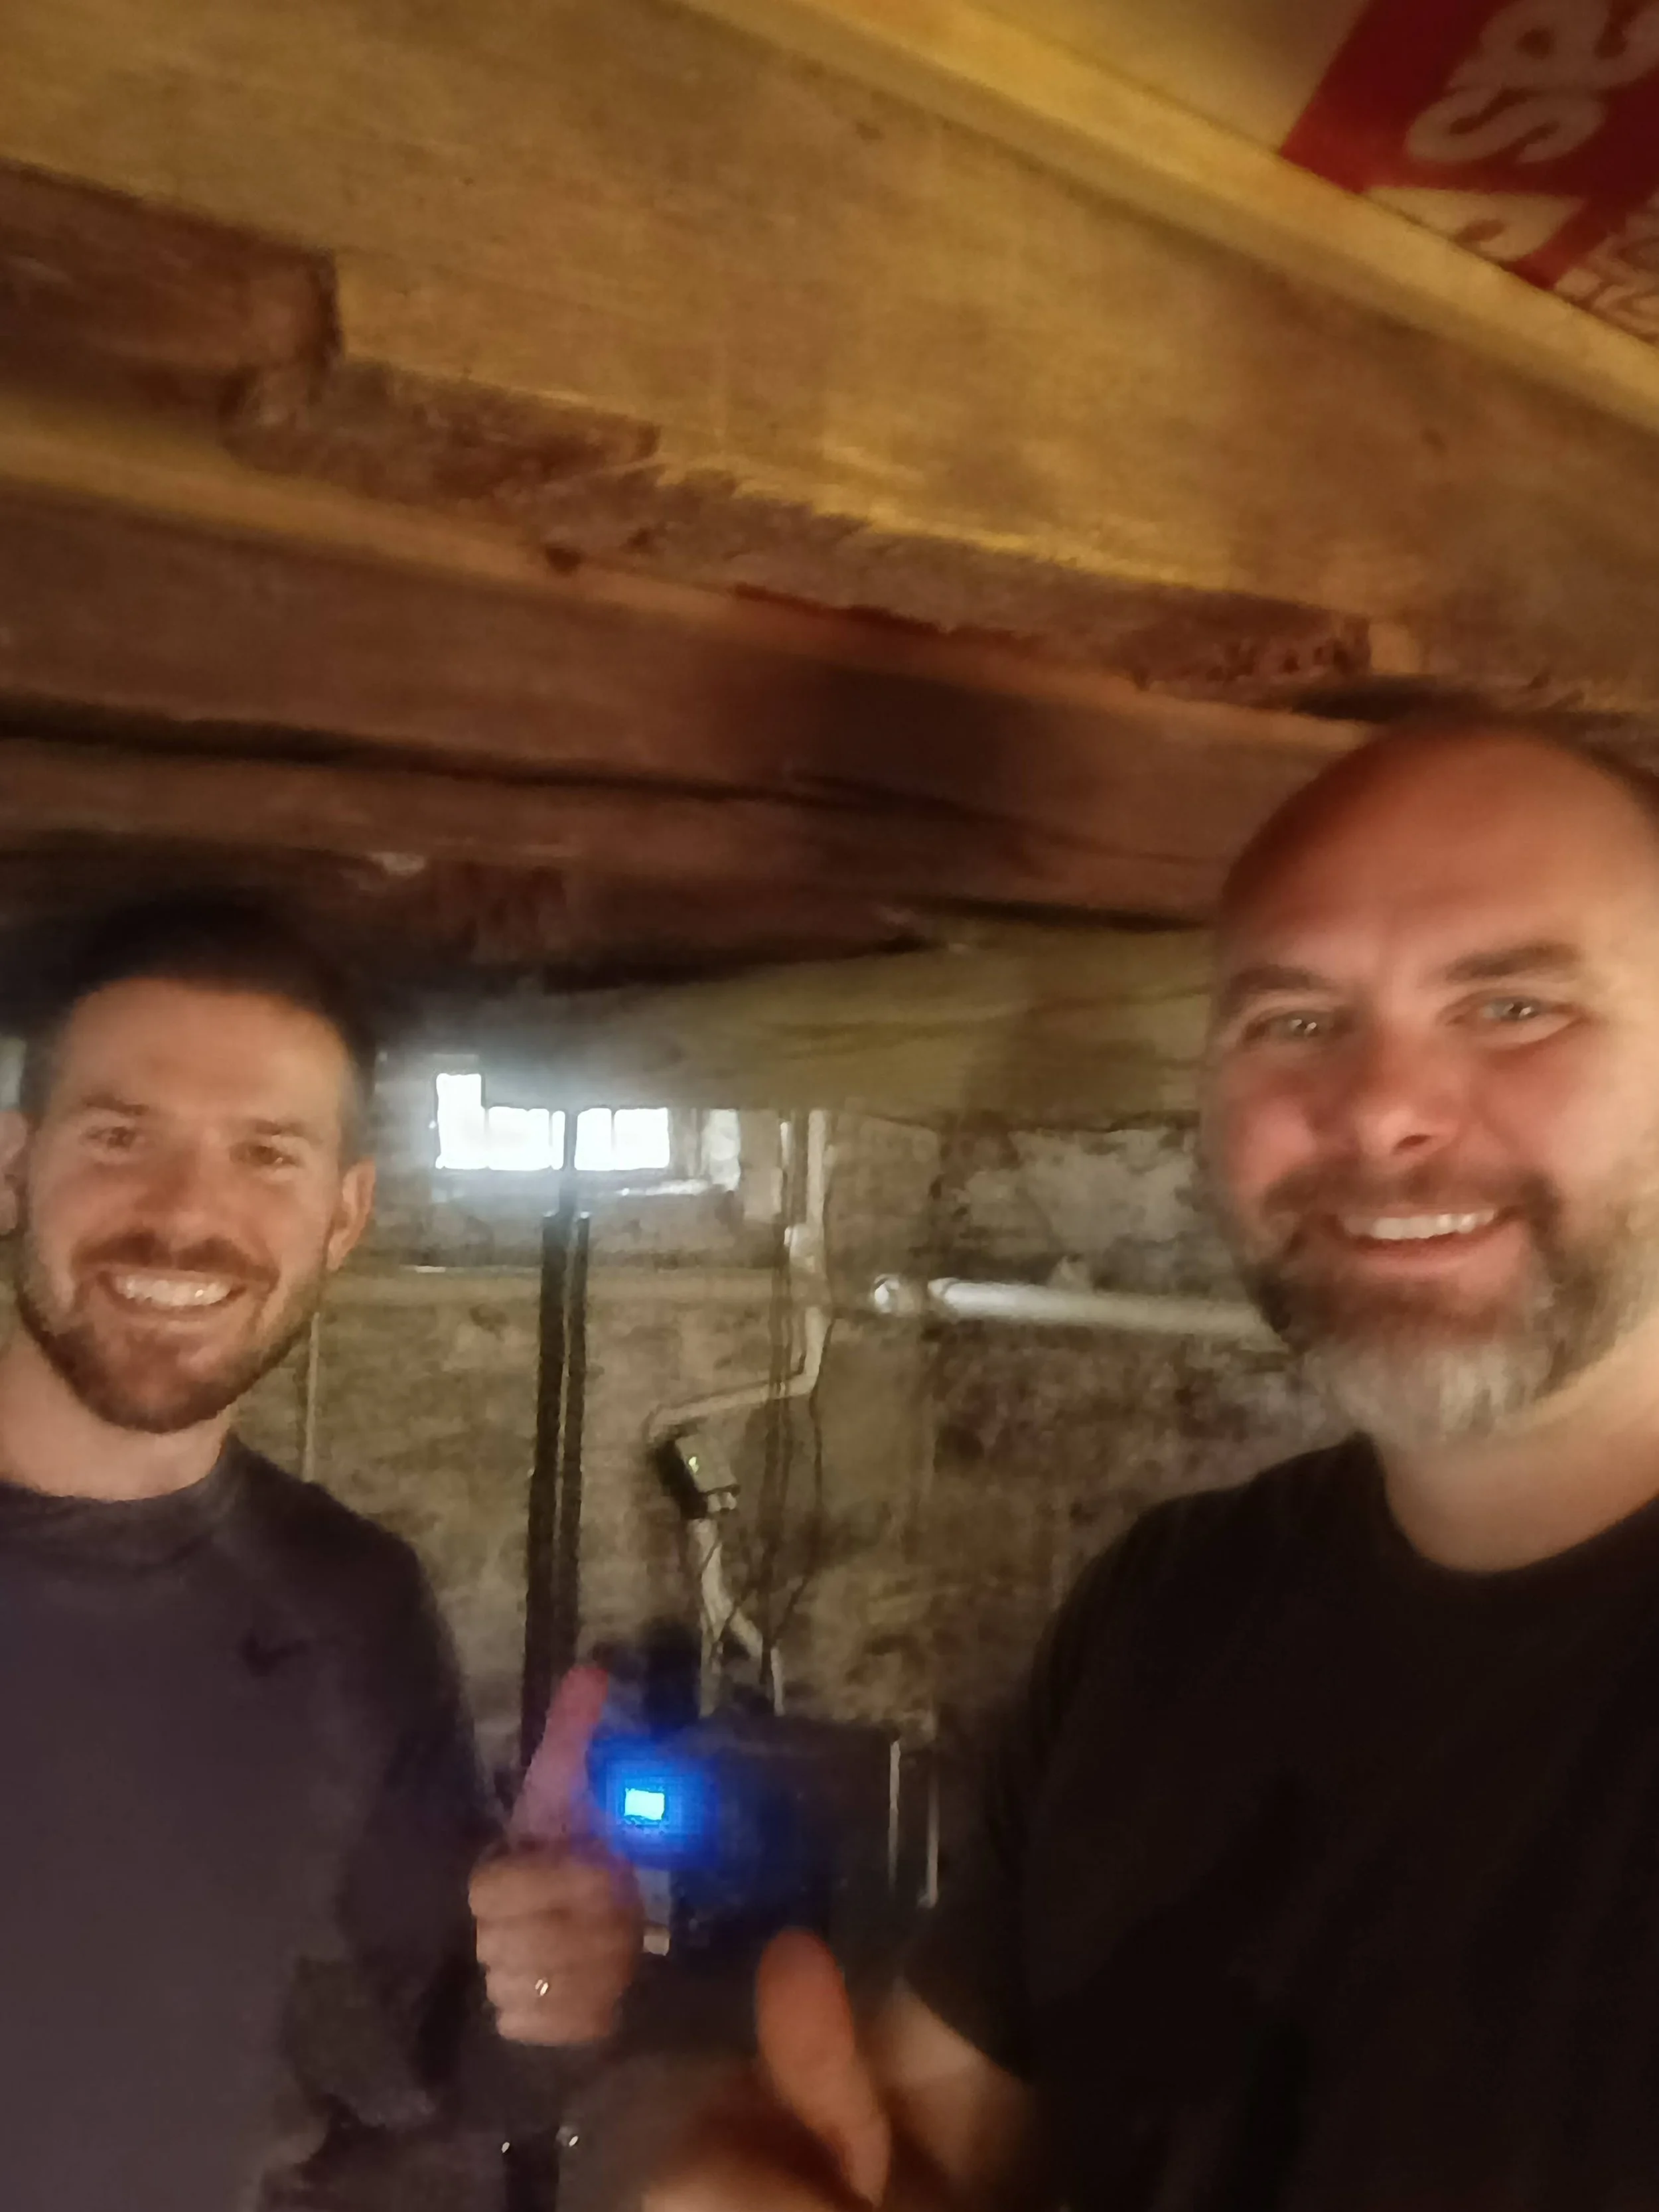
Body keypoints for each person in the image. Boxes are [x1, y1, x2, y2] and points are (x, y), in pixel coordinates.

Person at [647, 720, 1659, 2212]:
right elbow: (938, 2149)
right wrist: (751, 2168)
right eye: (1294, 1021)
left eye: (1511, 1004)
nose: (1378, 1107)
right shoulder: (1173, 1604)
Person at [0, 895, 640, 2212]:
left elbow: (444, 2078)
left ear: (344, 1217)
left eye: (266, 1156)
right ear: (13, 1164)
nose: (184, 1218)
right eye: (122, 1137)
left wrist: (555, 1996)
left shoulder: (347, 1601)